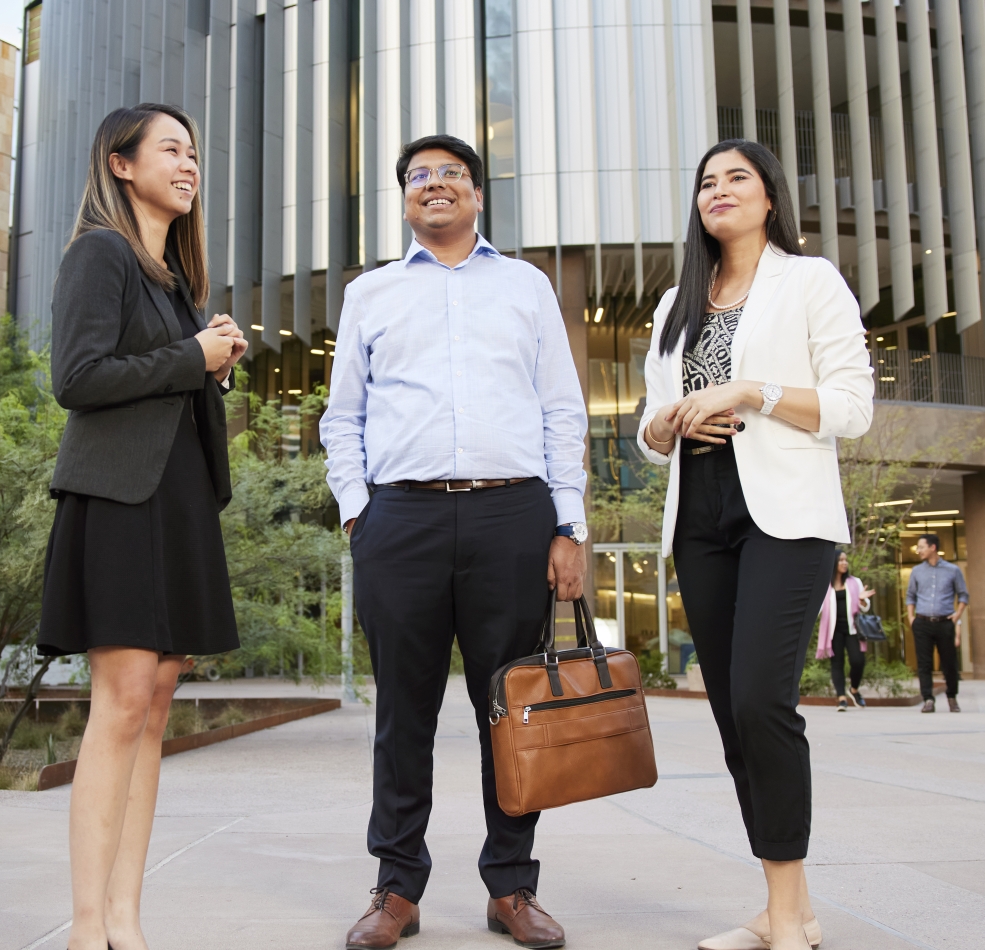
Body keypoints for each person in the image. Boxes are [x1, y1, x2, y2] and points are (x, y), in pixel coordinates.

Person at [322, 133, 586, 950]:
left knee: (510, 710)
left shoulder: (525, 286)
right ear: (404, 198)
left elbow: (560, 409)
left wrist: (567, 523)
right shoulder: (370, 294)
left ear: (478, 194)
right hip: (400, 520)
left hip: (513, 516)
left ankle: (511, 887)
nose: (435, 186)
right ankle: (396, 888)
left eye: (452, 175)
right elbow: (344, 417)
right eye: (418, 177)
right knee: (403, 713)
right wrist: (358, 513)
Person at [635, 139, 873, 950]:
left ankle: (786, 915)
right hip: (699, 514)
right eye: (706, 181)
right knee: (736, 716)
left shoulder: (809, 282)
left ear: (770, 196)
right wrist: (663, 425)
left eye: (737, 177)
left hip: (786, 515)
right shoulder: (677, 302)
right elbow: (648, 423)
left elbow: (852, 407)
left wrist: (753, 392)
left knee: (763, 702)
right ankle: (788, 913)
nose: (719, 190)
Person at [35, 103, 247, 950]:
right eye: (172, 149)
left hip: (178, 501)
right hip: (120, 502)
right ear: (121, 165)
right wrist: (191, 357)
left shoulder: (173, 283)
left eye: (195, 152)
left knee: (155, 707)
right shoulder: (100, 253)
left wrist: (210, 362)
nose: (189, 163)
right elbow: (77, 376)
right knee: (120, 703)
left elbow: (156, 384)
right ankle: (89, 926)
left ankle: (127, 917)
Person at [905, 534, 969, 713]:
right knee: (924, 663)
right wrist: (912, 618)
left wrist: (957, 616)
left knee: (949, 663)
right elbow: (910, 596)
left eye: (921, 547)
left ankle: (951, 697)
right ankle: (928, 699)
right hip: (922, 622)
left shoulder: (952, 570)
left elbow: (963, 595)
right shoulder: (917, 571)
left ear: (932, 547)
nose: (918, 551)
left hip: (945, 622)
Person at [815, 551, 873, 710]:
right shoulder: (825, 585)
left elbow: (866, 608)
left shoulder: (855, 582)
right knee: (837, 663)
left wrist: (862, 601)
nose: (844, 563)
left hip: (853, 629)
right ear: (834, 563)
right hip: (833, 631)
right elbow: (817, 608)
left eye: (845, 560)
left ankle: (853, 690)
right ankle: (841, 698)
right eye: (841, 560)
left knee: (858, 661)